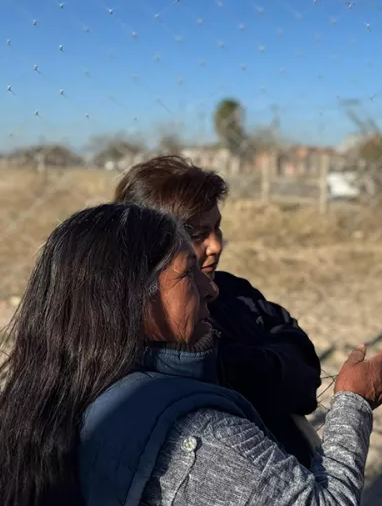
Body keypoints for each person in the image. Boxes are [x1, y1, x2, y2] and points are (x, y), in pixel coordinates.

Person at [0, 203, 382, 506]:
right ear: (128, 300)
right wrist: (354, 402)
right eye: (186, 275)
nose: (211, 288)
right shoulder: (192, 437)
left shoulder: (61, 389)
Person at [114, 155, 322, 467]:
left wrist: (260, 364)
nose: (216, 245)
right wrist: (263, 361)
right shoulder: (142, 332)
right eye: (197, 234)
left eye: (217, 228)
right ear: (150, 244)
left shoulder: (233, 292)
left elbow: (303, 368)